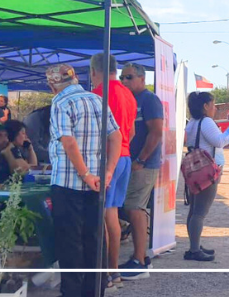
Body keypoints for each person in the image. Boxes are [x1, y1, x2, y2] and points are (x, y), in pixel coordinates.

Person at [47, 63, 121, 297]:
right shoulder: (98, 99)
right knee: (94, 239)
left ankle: (72, 292)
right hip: (97, 183)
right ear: (76, 78)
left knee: (70, 243)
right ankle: (95, 291)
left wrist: (85, 174)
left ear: (52, 85)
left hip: (68, 182)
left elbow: (68, 142)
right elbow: (116, 136)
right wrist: (108, 171)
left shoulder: (60, 102)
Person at [90, 53, 137, 289]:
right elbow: (132, 134)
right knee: (113, 214)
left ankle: (106, 273)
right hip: (125, 157)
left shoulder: (99, 94)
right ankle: (114, 271)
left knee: (103, 217)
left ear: (94, 72)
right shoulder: (129, 94)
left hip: (107, 160)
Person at [119, 63, 165, 279]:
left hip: (143, 164)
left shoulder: (149, 100)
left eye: (128, 77)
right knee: (128, 208)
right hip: (129, 162)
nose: (124, 81)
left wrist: (141, 159)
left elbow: (155, 133)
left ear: (141, 79)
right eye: (122, 77)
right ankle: (139, 258)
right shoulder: (129, 99)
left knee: (135, 208)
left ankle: (139, 260)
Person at [184, 91, 229, 262]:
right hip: (207, 171)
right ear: (205, 106)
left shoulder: (193, 122)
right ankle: (194, 249)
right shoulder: (206, 122)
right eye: (213, 105)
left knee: (194, 210)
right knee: (200, 212)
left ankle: (194, 244)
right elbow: (220, 141)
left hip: (195, 169)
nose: (215, 108)